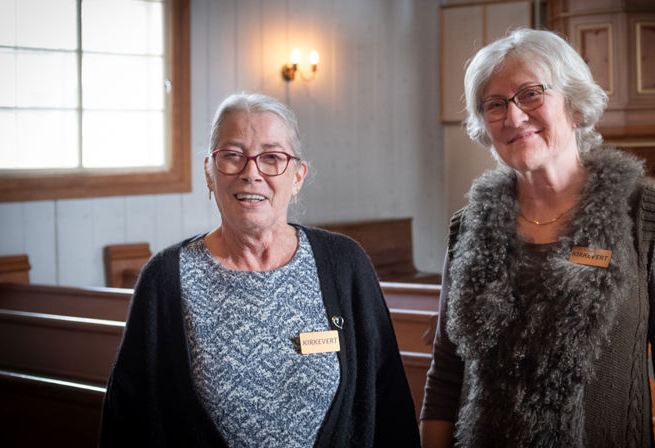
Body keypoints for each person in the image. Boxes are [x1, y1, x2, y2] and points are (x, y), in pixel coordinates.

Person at [420, 28, 655, 447]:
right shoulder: (468, 227)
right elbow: (446, 374)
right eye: (494, 105)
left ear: (573, 104)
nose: (514, 117)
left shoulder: (642, 216)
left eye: (531, 94)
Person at [99, 93, 420, 447]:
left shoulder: (344, 264)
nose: (251, 173)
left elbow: (390, 405)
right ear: (209, 172)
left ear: (298, 176)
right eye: (233, 156)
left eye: (271, 158)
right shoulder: (165, 277)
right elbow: (125, 423)